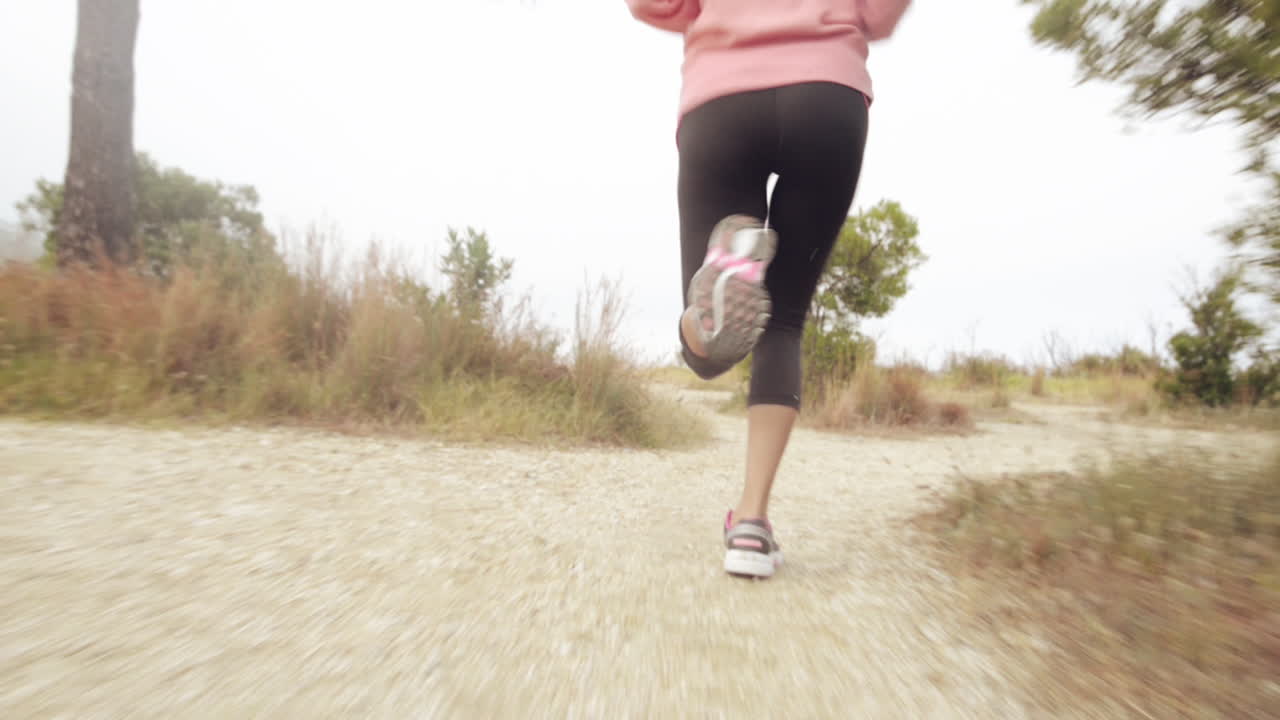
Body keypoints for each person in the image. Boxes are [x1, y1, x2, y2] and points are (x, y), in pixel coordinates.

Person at [624, 0, 912, 578]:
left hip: (722, 102)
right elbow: (879, 14)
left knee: (708, 354)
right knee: (781, 322)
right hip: (826, 99)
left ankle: (709, 305)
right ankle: (751, 524)